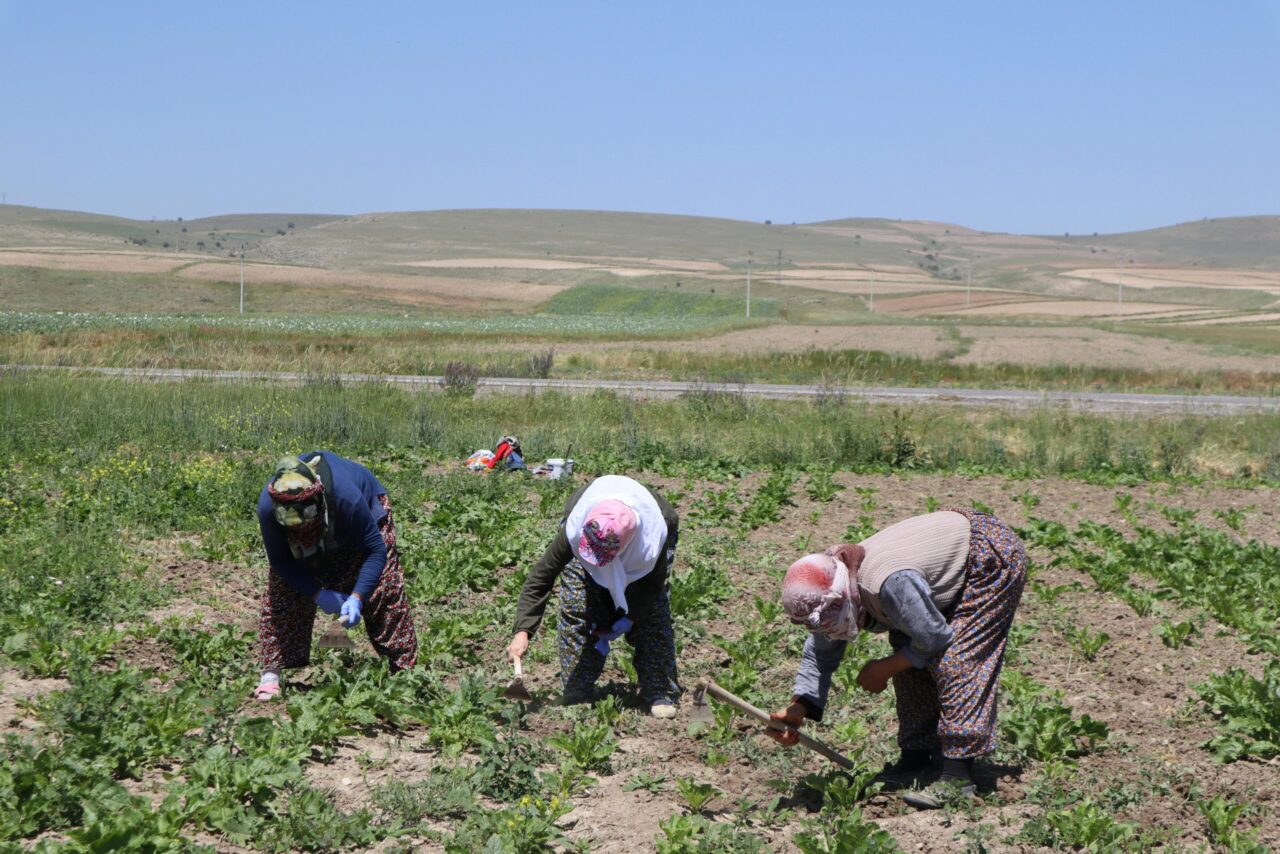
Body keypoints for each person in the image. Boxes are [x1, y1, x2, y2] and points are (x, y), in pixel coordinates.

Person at [768, 508, 1026, 809]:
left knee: (957, 660)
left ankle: (958, 777)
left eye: (826, 621)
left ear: (841, 598)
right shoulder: (836, 584)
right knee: (907, 650)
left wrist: (883, 669)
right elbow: (820, 652)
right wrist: (800, 706)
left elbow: (934, 637)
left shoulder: (887, 584)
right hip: (938, 564)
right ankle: (917, 758)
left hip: (986, 558)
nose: (824, 630)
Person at [507, 475, 681, 718]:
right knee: (578, 603)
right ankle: (577, 690)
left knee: (651, 613)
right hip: (592, 535)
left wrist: (630, 618)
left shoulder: (653, 539)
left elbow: (652, 586)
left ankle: (659, 689)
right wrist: (522, 631)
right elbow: (542, 576)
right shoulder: (578, 528)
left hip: (644, 541)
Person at [252, 452, 418, 701]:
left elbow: (375, 551)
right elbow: (280, 561)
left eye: (305, 522)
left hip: (366, 510)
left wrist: (358, 597)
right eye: (293, 526)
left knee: (384, 586)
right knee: (283, 586)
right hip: (317, 519)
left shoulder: (346, 498)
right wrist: (318, 593)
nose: (301, 530)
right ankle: (270, 676)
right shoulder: (268, 507)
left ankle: (404, 673)